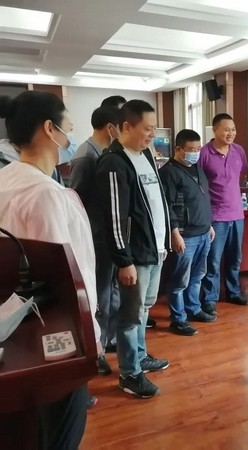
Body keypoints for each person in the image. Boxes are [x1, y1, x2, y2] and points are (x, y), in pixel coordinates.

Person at [0, 90, 101, 449]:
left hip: (15, 332)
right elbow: (61, 278)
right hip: (54, 335)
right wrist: (89, 337)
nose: (70, 135)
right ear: (49, 129)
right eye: (68, 127)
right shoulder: (44, 193)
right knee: (60, 432)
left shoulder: (8, 178)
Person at [96, 100, 171, 399]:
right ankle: (129, 374)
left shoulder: (146, 155)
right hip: (135, 255)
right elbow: (114, 216)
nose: (153, 134)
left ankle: (139, 357)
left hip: (155, 248)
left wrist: (170, 234)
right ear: (127, 126)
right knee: (130, 316)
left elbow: (157, 199)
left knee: (143, 309)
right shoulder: (113, 162)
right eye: (148, 129)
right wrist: (123, 260)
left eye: (154, 128)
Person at [70, 105, 122, 375]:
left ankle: (109, 338)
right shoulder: (85, 156)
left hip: (108, 234)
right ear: (110, 127)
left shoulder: (105, 152)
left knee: (111, 289)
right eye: (121, 126)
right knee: (99, 293)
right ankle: (97, 347)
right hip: (96, 236)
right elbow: (75, 199)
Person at [159, 129, 215, 336]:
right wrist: (175, 233)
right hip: (185, 235)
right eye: (191, 149)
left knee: (198, 275)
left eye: (198, 148)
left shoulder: (198, 168)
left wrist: (209, 225)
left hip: (203, 232)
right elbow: (168, 206)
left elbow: (202, 199)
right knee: (179, 280)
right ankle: (178, 319)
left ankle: (193, 309)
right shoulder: (168, 172)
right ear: (178, 149)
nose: (196, 153)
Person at [199, 113, 248, 315]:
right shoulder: (204, 153)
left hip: (237, 214)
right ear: (215, 130)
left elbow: (242, 174)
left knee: (235, 258)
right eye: (226, 129)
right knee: (213, 260)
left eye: (233, 129)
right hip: (216, 216)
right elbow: (199, 184)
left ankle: (233, 292)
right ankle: (209, 298)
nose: (231, 133)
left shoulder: (239, 151)